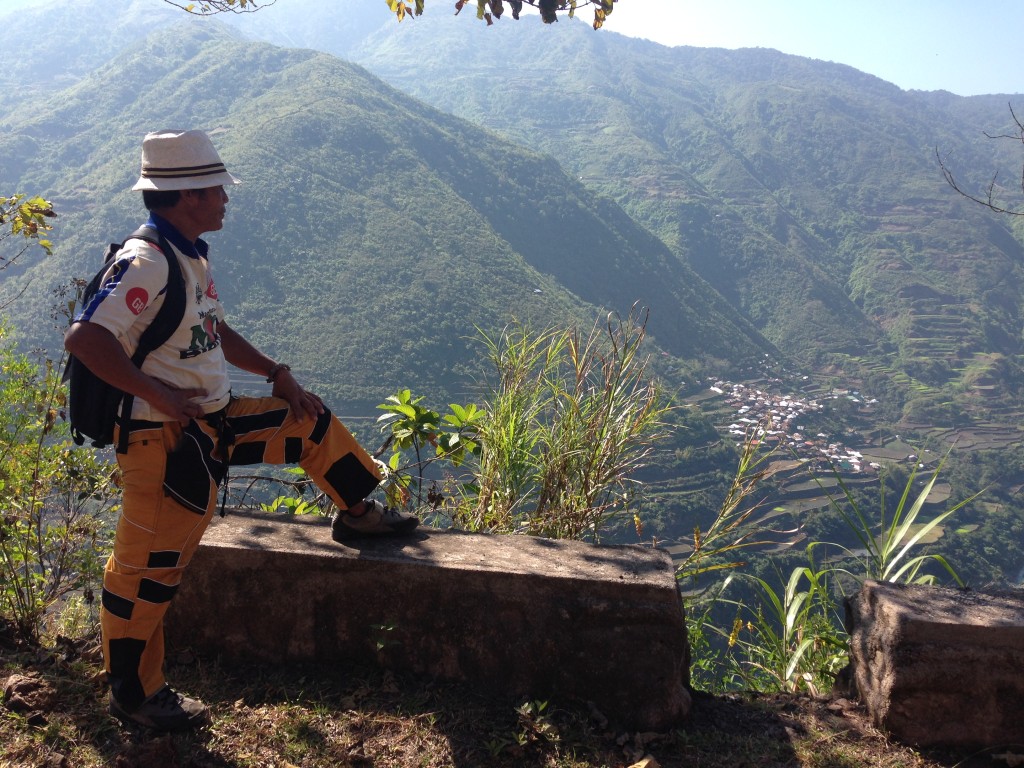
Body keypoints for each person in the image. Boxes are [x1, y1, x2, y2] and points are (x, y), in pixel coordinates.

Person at [64, 129, 419, 733]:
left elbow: (213, 331)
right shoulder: (146, 261)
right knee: (147, 573)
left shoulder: (188, 253)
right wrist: (159, 394)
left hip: (212, 424)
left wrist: (276, 374)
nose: (226, 198)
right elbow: (86, 338)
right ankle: (134, 691)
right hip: (163, 443)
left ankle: (358, 511)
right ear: (185, 196)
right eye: (217, 190)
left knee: (308, 422)